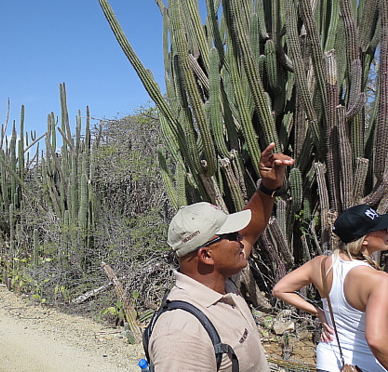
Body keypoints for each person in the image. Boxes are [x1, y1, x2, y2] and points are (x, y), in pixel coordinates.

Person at [148, 142, 293, 371]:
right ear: (206, 255)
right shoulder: (182, 332)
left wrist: (268, 187)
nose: (240, 239)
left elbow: (251, 231)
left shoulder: (221, 286)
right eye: (232, 235)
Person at [272, 204, 388, 371]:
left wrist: (319, 312)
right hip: (369, 364)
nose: (387, 232)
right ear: (365, 239)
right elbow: (375, 340)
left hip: (329, 359)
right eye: (382, 229)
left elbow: (280, 289)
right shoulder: (379, 280)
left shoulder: (320, 265)